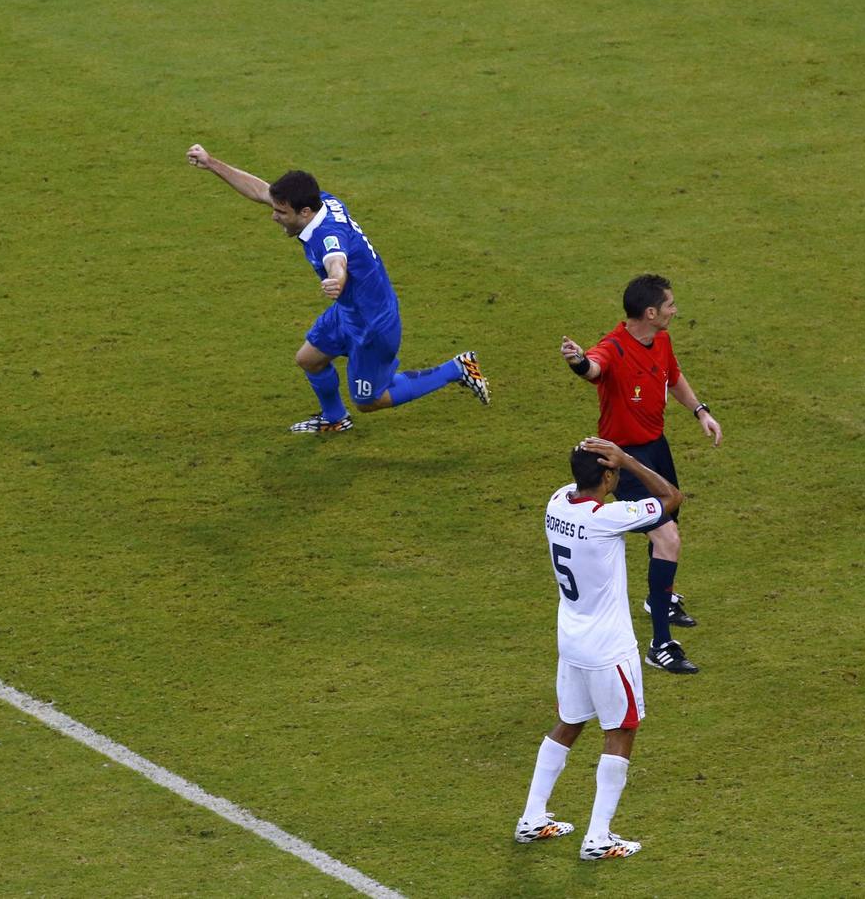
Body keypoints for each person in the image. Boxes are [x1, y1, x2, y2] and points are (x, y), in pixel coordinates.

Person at [186, 145, 490, 432]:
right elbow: (260, 191)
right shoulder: (320, 202)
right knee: (309, 359)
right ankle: (334, 419)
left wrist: (337, 280)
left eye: (281, 212)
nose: (273, 215)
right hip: (350, 310)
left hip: (372, 324)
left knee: (369, 401)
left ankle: (457, 368)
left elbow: (337, 259)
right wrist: (211, 163)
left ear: (304, 213)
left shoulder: (327, 235)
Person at [515, 437, 684, 860]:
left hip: (570, 639)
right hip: (608, 647)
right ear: (607, 476)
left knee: (569, 722)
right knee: (621, 730)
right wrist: (628, 458)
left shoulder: (556, 502)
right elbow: (670, 497)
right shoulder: (608, 518)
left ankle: (532, 817)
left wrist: (603, 463)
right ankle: (599, 837)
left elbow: (582, 483)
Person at [559, 274, 722, 674]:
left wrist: (700, 411)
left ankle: (657, 599)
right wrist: (579, 361)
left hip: (655, 446)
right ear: (650, 313)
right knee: (666, 536)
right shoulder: (613, 347)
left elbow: (672, 376)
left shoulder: (660, 340)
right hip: (622, 457)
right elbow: (595, 369)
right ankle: (661, 645)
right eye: (669, 305)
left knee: (670, 523)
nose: (674, 310)